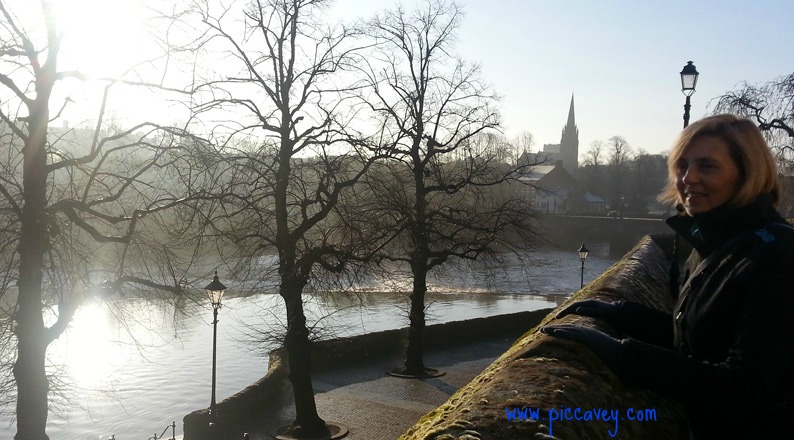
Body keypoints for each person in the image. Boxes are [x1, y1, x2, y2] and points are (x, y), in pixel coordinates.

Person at [541, 114, 794, 439]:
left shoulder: (777, 255)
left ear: (747, 173)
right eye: (682, 166)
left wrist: (625, 356)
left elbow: (749, 386)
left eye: (707, 166)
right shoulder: (715, 243)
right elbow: (702, 338)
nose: (689, 178)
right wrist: (624, 315)